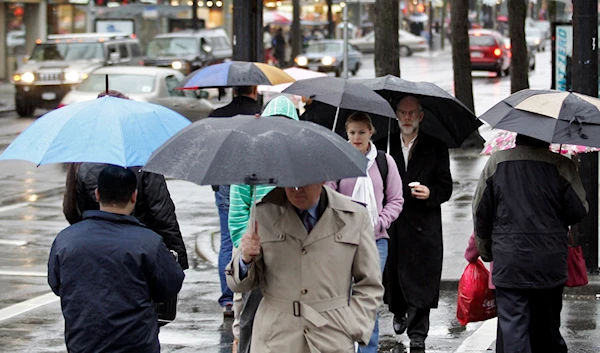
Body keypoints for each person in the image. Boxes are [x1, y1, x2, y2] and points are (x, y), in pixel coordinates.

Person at [225, 181, 384, 353]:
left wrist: (354, 324)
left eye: (304, 182)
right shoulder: (263, 213)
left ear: (323, 178)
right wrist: (245, 258)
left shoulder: (354, 216)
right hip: (276, 338)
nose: (296, 189)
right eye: (290, 182)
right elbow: (239, 284)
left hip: (332, 336)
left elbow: (370, 283)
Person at [49, 165, 185, 353]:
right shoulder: (149, 243)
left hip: (83, 342)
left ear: (97, 195)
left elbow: (57, 285)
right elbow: (169, 285)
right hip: (136, 343)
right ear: (134, 196)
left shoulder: (66, 241)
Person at [472, 134, 588, 353]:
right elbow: (578, 211)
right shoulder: (561, 164)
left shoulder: (497, 162)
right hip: (550, 261)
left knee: (514, 329)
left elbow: (481, 212)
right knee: (547, 327)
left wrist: (486, 250)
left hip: (509, 260)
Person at [62, 90, 189, 271]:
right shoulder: (143, 156)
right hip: (140, 251)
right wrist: (177, 257)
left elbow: (71, 210)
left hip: (94, 252)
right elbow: (161, 213)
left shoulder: (81, 158)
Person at [376, 95, 452, 352]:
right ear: (396, 115)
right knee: (393, 275)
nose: (407, 118)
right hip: (394, 222)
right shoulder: (382, 146)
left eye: (412, 114)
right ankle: (398, 310)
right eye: (403, 113)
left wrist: (431, 193)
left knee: (423, 277)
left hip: (424, 223)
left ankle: (418, 332)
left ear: (421, 116)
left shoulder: (436, 147)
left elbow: (446, 187)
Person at [327, 112, 404, 353]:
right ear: (346, 133)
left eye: (361, 132)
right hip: (342, 239)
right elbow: (327, 196)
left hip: (376, 240)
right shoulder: (337, 160)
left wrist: (381, 222)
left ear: (371, 132)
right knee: (340, 297)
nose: (356, 138)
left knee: (368, 299)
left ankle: (368, 349)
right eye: (351, 133)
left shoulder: (384, 162)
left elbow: (396, 199)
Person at [228, 96, 300, 353]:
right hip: (257, 253)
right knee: (250, 316)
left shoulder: (302, 160)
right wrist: (243, 248)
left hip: (291, 255)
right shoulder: (249, 160)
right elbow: (237, 212)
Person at [210, 85, 262, 318]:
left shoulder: (217, 115)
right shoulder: (262, 115)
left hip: (225, 180)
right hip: (253, 181)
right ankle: (250, 285)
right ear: (255, 89)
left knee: (227, 238)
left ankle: (228, 296)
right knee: (254, 233)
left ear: (233, 90)